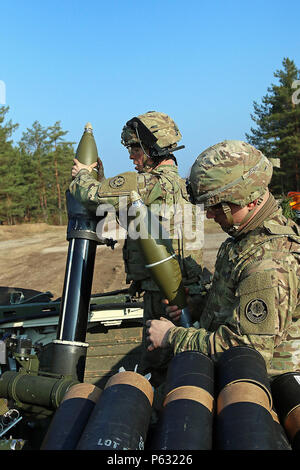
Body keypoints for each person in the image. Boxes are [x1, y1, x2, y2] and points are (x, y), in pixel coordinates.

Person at [69, 111, 205, 385]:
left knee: (157, 366)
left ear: (153, 146)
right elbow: (124, 212)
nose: (131, 155)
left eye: (134, 147)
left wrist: (82, 176)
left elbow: (91, 196)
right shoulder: (184, 185)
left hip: (162, 296)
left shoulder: (145, 184)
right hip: (188, 293)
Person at [146, 140, 300, 376]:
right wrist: (200, 305)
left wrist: (172, 336)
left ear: (248, 200)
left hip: (259, 385)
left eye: (217, 206)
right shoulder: (245, 239)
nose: (209, 214)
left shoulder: (269, 262)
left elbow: (247, 348)